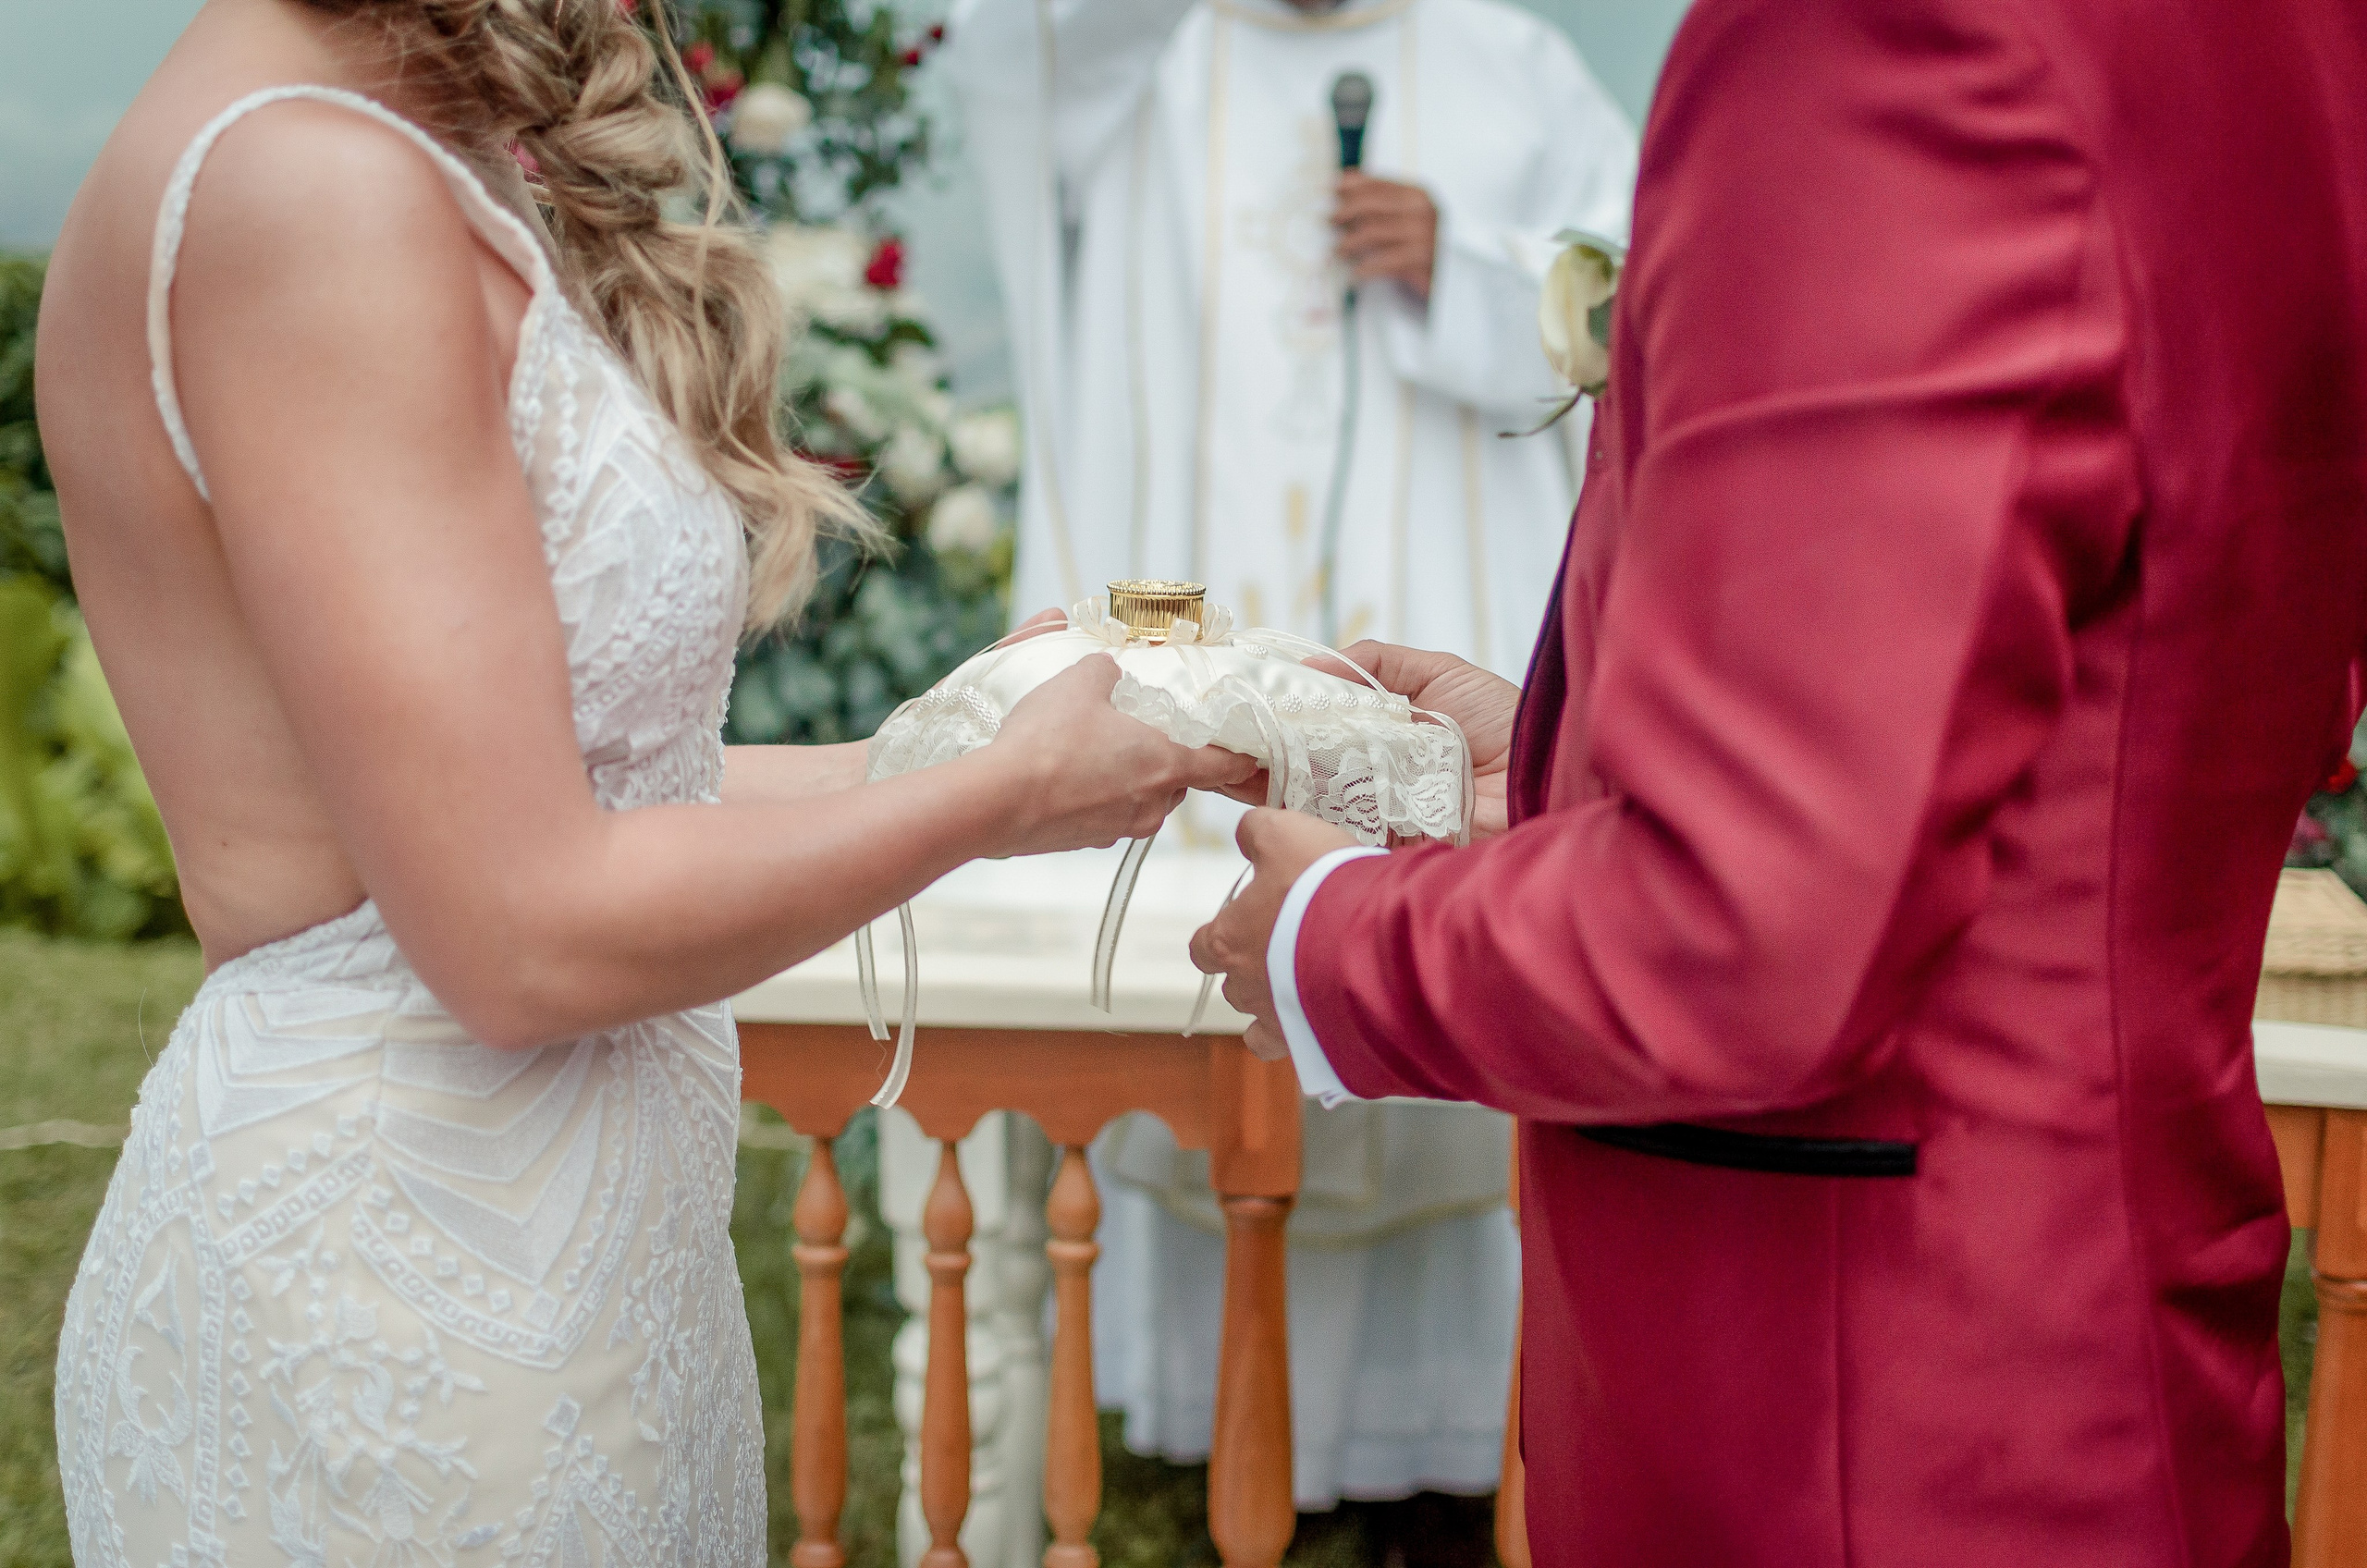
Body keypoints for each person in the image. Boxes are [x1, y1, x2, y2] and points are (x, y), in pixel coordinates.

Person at [37, 1, 1253, 1562]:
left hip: (555, 1269)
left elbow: (559, 799)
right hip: (402, 1299)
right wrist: (993, 804)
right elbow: (521, 934)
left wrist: (947, 749)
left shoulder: (359, 131)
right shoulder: (304, 184)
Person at [1190, 0, 2367, 1562]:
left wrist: (1332, 938)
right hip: (2100, 1301)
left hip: (1865, 1414)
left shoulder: (1884, 40)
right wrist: (1560, 777)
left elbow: (1748, 932)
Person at [941, 0, 1636, 1520]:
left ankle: (1456, 1463)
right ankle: (1212, 1436)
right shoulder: (1132, 45)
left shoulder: (1500, 54)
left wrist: (1471, 271)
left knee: (1444, 1001)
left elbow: (1638, 301)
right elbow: (1008, 58)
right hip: (1199, 615)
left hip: (1434, 665)